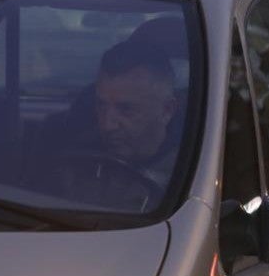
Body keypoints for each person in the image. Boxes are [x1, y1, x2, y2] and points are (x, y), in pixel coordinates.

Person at [29, 39, 181, 210]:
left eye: (126, 109)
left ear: (167, 110)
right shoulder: (72, 154)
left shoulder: (191, 176)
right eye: (101, 105)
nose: (108, 124)